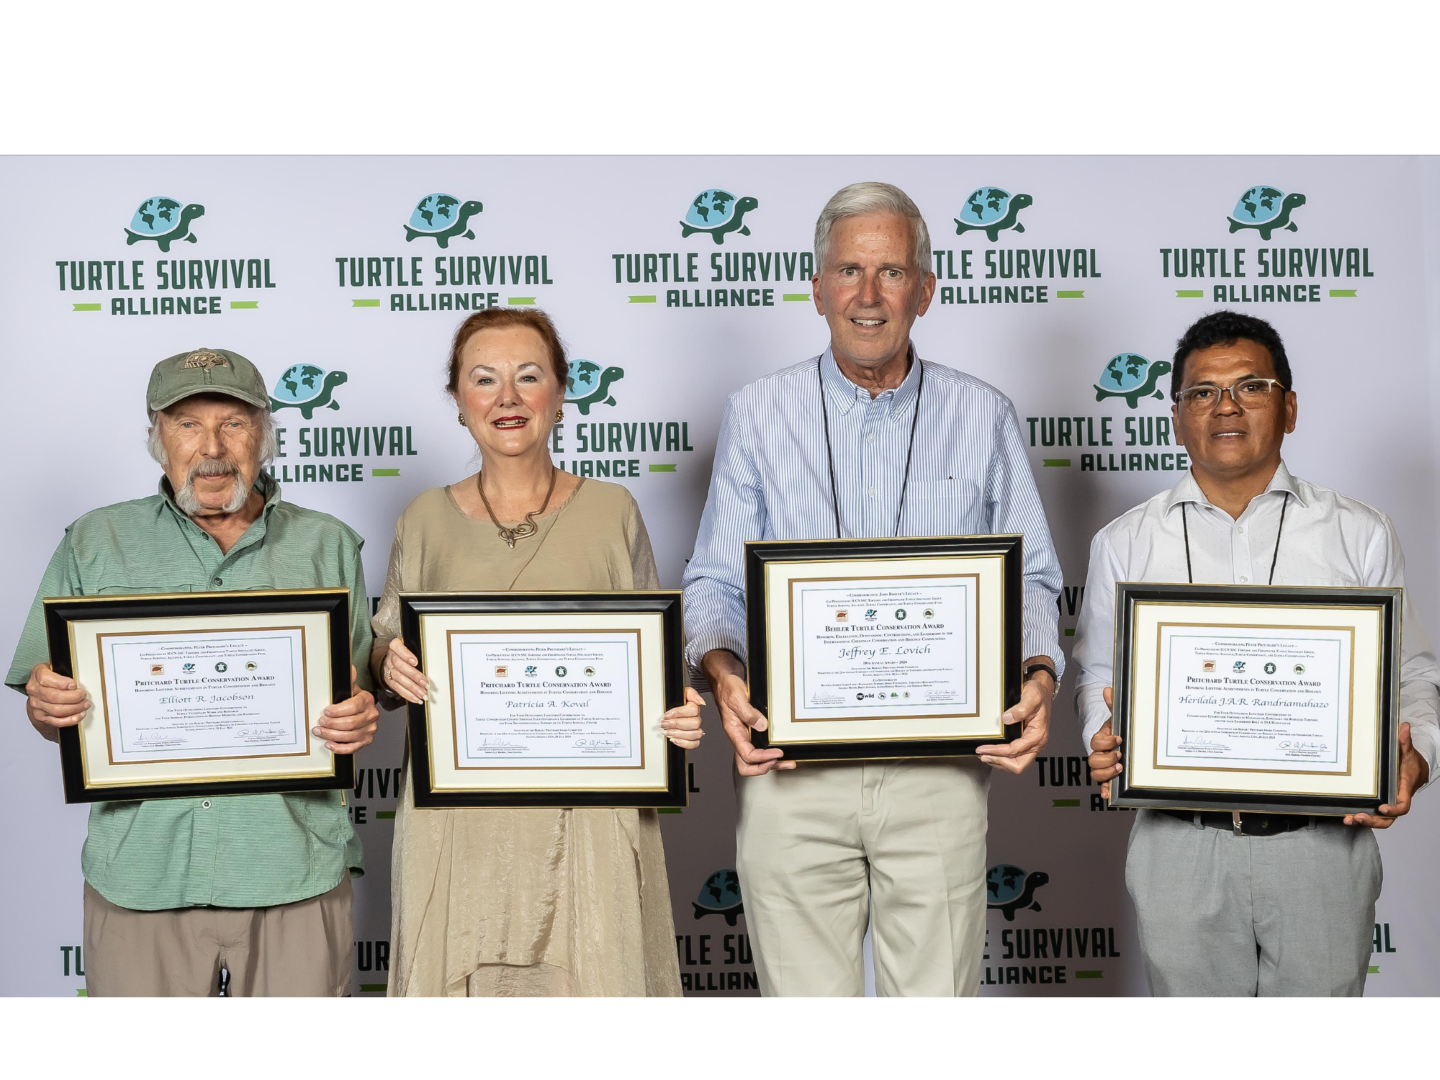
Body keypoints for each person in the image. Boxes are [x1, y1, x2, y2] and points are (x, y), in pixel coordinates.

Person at [681, 182, 1065, 997]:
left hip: (938, 772)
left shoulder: (983, 413)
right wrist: (723, 674)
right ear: (816, 287)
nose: (867, 294)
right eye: (848, 270)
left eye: (891, 272)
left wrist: (1038, 677)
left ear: (926, 289)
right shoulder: (755, 414)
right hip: (791, 772)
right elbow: (714, 580)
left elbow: (1032, 575)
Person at [1073, 310, 1439, 997]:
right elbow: (1099, 675)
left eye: (1251, 386)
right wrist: (1100, 730)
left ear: (1290, 407)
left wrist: (1418, 757)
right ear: (1176, 417)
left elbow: (1412, 672)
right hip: (1179, 845)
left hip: (1323, 844)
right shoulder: (1122, 542)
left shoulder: (1358, 533)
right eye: (1201, 392)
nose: (1226, 407)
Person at [8, 348, 379, 998]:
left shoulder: (328, 545)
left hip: (293, 866)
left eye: (234, 423)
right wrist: (47, 708)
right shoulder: (96, 543)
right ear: (157, 438)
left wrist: (358, 713)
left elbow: (352, 694)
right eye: (187, 424)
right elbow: (47, 706)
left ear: (264, 433)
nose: (212, 447)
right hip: (141, 872)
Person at [373, 307, 704, 998]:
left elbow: (657, 661)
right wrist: (388, 665)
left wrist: (677, 709)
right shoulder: (423, 519)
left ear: (560, 392)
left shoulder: (613, 510)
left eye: (529, 377)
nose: (508, 398)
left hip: (589, 819)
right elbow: (385, 643)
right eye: (484, 379)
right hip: (460, 824)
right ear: (459, 400)